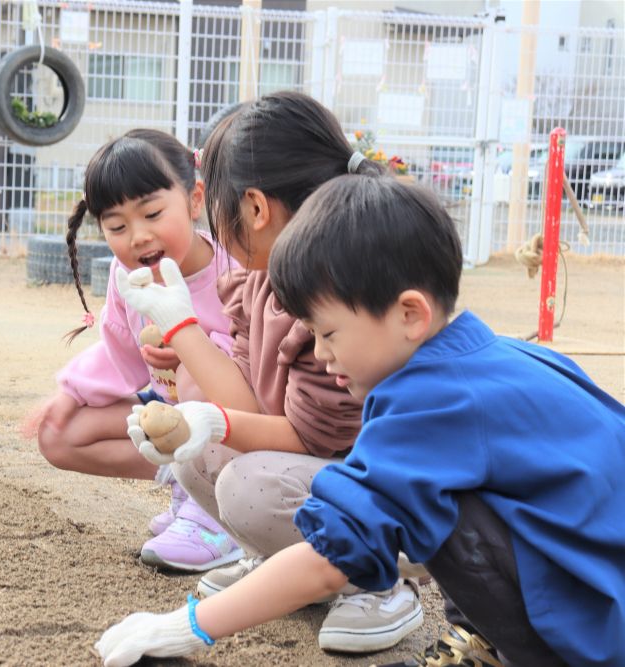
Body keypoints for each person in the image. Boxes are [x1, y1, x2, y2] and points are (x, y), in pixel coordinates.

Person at [96, 174, 625, 667]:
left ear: (409, 314)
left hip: (597, 631)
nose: (322, 355)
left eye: (329, 333)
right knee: (445, 494)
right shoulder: (506, 358)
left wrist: (188, 626)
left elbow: (331, 557)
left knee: (436, 510)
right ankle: (483, 640)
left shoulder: (430, 402)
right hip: (604, 589)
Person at [115, 91, 422, 653]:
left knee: (247, 485)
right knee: (194, 441)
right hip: (322, 470)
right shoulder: (261, 278)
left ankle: (376, 581)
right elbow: (248, 401)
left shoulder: (333, 295)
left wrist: (207, 417)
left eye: (219, 211)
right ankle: (286, 563)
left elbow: (314, 437)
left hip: (386, 496)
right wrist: (182, 332)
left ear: (255, 208)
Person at [27, 129, 244, 573]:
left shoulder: (232, 269)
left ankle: (216, 517)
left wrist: (192, 349)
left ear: (195, 199)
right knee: (57, 434)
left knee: (192, 376)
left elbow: (255, 367)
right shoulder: (127, 278)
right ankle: (190, 485)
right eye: (118, 226)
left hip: (240, 429)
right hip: (172, 418)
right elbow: (119, 352)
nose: (139, 236)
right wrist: (68, 395)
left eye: (152, 213)